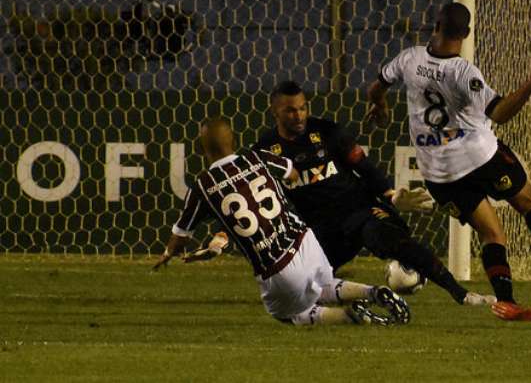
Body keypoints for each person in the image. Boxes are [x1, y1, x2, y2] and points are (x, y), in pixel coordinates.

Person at [365, 2, 531, 322]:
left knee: (493, 234)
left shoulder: (409, 59)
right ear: (466, 33)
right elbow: (499, 113)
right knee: (528, 203)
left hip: (441, 174)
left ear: (436, 25)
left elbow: (377, 86)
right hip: (481, 156)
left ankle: (506, 301)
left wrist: (379, 105)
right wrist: (530, 83)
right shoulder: (464, 72)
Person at [243, 80, 493, 307]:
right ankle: (367, 296)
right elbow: (249, 196)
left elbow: (365, 168)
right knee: (300, 288)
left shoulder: (327, 132)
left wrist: (391, 195)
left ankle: (461, 294)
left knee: (393, 241)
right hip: (321, 231)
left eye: (302, 108)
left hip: (360, 212)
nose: (299, 115)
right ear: (274, 111)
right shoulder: (264, 151)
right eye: (290, 110)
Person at [152, 117, 409, 326]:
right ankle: (372, 292)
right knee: (320, 284)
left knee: (288, 313)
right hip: (306, 241)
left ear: (203, 149)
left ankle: (349, 316)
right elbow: (293, 172)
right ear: (232, 140)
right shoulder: (258, 158)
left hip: (277, 267)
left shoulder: (203, 186)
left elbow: (179, 237)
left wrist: (168, 253)